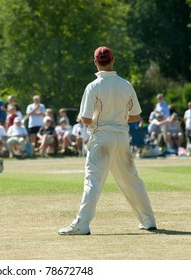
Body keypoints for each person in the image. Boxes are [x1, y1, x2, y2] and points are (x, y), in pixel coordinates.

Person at [59, 46, 156, 235]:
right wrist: (117, 120)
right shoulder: (126, 84)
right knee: (132, 179)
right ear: (112, 61)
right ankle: (149, 220)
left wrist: (103, 121)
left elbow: (86, 120)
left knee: (93, 180)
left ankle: (82, 224)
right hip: (121, 137)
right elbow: (136, 116)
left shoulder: (93, 86)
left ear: (96, 62)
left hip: (102, 137)